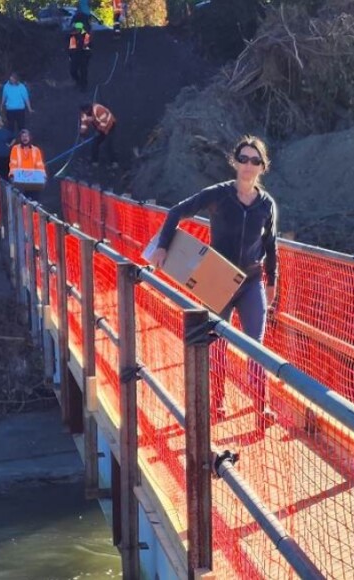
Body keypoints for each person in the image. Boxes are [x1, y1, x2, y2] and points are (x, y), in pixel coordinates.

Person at [150, 136, 279, 427]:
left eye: (255, 161)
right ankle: (217, 403)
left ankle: (262, 408)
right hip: (217, 277)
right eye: (243, 159)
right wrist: (162, 246)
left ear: (262, 167)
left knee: (256, 347)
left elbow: (271, 246)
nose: (248, 165)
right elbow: (176, 212)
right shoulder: (219, 195)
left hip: (251, 280)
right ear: (235, 162)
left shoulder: (266, 205)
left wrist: (272, 283)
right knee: (217, 343)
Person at [8, 129, 47, 200]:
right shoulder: (15, 149)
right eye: (23, 136)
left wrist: (43, 176)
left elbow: (40, 165)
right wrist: (12, 176)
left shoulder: (36, 150)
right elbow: (13, 164)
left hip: (33, 180)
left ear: (30, 137)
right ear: (20, 138)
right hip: (20, 180)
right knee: (21, 201)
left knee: (34, 201)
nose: (25, 138)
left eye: (26, 136)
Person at [79, 102, 118, 168]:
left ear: (89, 108)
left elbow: (105, 121)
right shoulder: (84, 113)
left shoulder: (98, 109)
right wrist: (82, 134)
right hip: (99, 127)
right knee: (94, 144)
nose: (85, 112)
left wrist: (99, 131)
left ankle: (114, 162)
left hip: (110, 125)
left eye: (85, 110)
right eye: (83, 111)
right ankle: (95, 162)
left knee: (108, 144)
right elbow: (84, 125)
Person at [68, 22, 91, 91]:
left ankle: (83, 86)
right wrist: (70, 55)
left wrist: (87, 54)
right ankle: (78, 81)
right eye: (76, 29)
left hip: (84, 55)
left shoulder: (86, 35)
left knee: (83, 71)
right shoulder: (72, 36)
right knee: (73, 71)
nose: (77, 30)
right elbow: (71, 47)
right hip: (75, 56)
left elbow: (87, 46)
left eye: (78, 29)